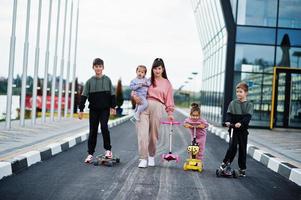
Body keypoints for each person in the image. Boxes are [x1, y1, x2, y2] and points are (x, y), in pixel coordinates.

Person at [132, 58, 175, 168]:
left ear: (163, 69)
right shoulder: (147, 80)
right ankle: (143, 158)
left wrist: (170, 113)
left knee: (153, 135)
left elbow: (169, 100)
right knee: (142, 134)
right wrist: (134, 97)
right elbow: (135, 90)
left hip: (158, 107)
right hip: (143, 106)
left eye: (159, 68)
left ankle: (151, 156)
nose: (157, 71)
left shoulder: (167, 83)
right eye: (155, 68)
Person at [78, 58, 116, 163]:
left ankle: (108, 150)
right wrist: (81, 110)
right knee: (93, 131)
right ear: (93, 67)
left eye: (100, 66)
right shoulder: (89, 82)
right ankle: (90, 154)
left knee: (104, 127)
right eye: (96, 66)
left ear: (103, 67)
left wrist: (113, 107)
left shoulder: (107, 80)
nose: (98, 68)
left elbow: (112, 95)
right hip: (93, 110)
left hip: (104, 109)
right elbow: (84, 96)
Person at [219, 81, 253, 177]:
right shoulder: (233, 103)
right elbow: (229, 115)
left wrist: (241, 123)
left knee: (242, 149)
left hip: (242, 130)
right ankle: (225, 163)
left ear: (246, 93)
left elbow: (247, 117)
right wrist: (228, 122)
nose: (238, 93)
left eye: (241, 91)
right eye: (237, 91)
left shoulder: (249, 105)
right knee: (232, 147)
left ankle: (242, 168)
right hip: (233, 130)